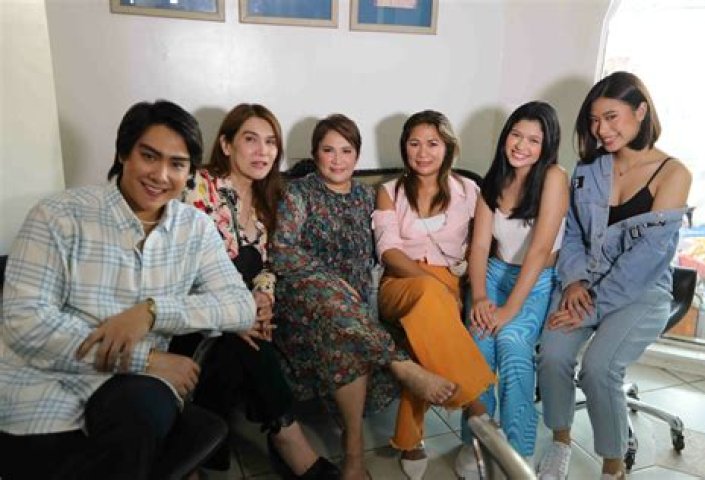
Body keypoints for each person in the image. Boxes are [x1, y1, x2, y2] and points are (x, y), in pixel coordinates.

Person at [0, 100, 256, 480]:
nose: (160, 175)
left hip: (133, 394)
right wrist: (144, 360)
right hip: (42, 386)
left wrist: (152, 312)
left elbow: (240, 307)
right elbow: (26, 323)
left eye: (177, 164)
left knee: (140, 416)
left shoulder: (195, 228)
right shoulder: (58, 215)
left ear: (190, 172)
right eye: (149, 156)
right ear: (123, 153)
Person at [272, 114, 460, 480]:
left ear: (357, 156)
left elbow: (391, 245)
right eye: (328, 150)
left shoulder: (366, 197)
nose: (337, 160)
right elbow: (281, 250)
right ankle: (399, 366)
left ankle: (353, 450)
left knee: (346, 341)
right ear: (315, 153)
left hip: (352, 313)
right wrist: (328, 280)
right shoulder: (299, 193)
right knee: (335, 310)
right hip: (303, 301)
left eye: (346, 151)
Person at [536, 71, 692, 480]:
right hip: (582, 283)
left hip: (641, 291)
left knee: (599, 368)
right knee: (552, 355)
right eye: (594, 120)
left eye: (611, 117)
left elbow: (645, 260)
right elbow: (571, 232)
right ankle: (560, 442)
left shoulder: (673, 174)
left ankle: (612, 465)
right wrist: (573, 282)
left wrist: (589, 309)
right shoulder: (589, 168)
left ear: (640, 111)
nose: (601, 130)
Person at [171, 103, 339, 478]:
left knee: (244, 344)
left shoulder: (266, 201)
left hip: (236, 317)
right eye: (251, 140)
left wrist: (263, 298)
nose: (263, 151)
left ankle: (200, 454)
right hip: (190, 317)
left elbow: (265, 267)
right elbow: (179, 269)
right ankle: (289, 443)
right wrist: (234, 315)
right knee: (244, 344)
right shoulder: (198, 186)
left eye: (271, 142)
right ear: (226, 145)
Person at [373, 110, 496, 479]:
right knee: (429, 295)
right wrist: (435, 284)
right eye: (414, 144)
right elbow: (389, 251)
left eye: (432, 143)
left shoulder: (469, 191)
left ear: (448, 148)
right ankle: (475, 406)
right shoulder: (389, 191)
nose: (423, 153)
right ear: (404, 148)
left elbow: (483, 243)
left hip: (448, 288)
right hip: (399, 283)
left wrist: (466, 281)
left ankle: (410, 440)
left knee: (424, 334)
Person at [454, 101, 568, 478]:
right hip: (493, 275)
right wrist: (480, 297)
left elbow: (539, 250)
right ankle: (478, 440)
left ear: (546, 145)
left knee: (513, 343)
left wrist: (509, 310)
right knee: (479, 341)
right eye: (516, 135)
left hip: (534, 281)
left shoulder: (554, 178)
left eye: (534, 140)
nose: (521, 145)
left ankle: (517, 452)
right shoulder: (494, 180)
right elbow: (480, 247)